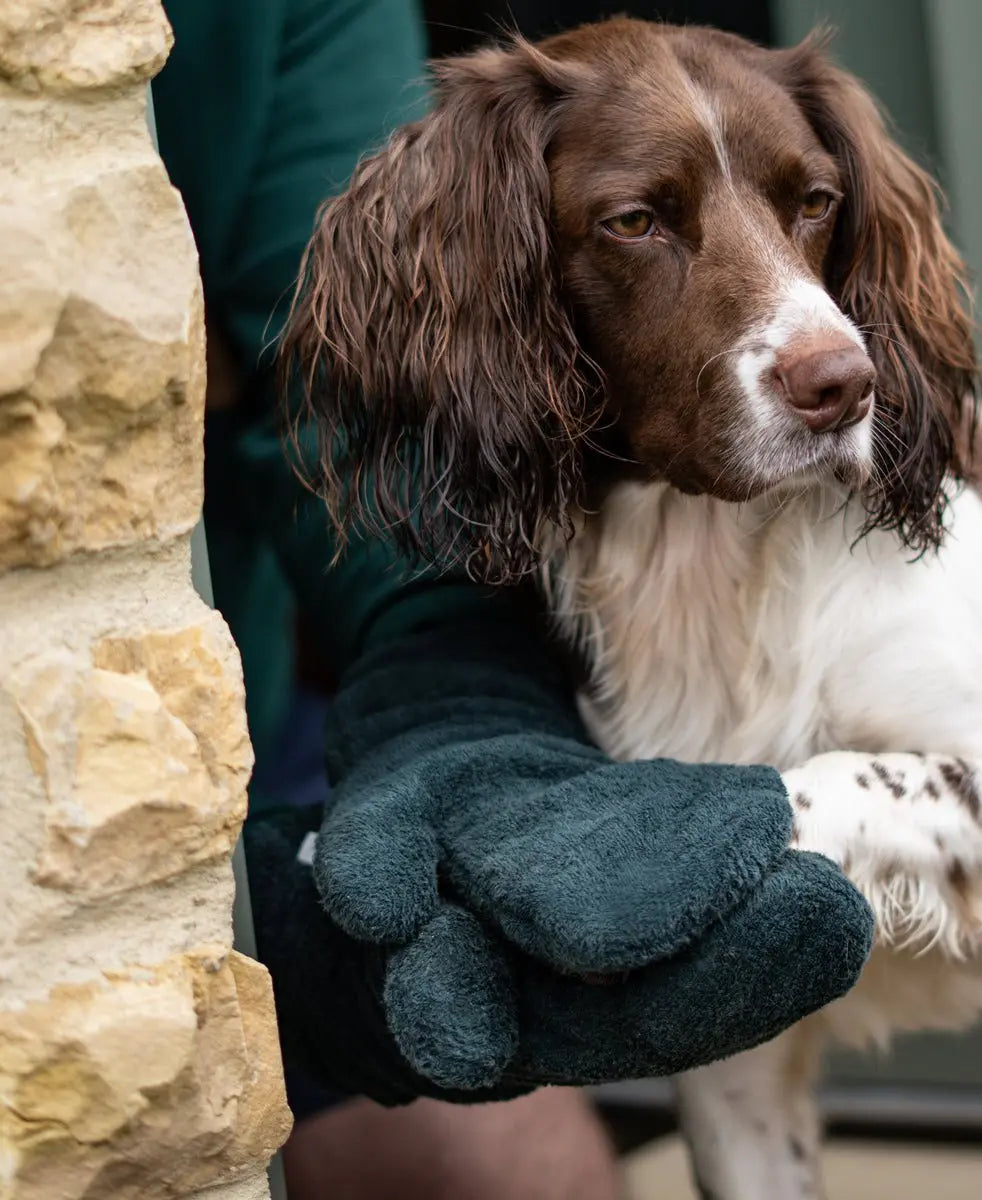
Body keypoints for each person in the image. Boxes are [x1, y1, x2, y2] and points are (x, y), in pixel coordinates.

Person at [151, 2, 874, 1196]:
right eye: (640, 218)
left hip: (236, 722)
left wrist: (450, 696)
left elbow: (333, 397)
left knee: (533, 1174)